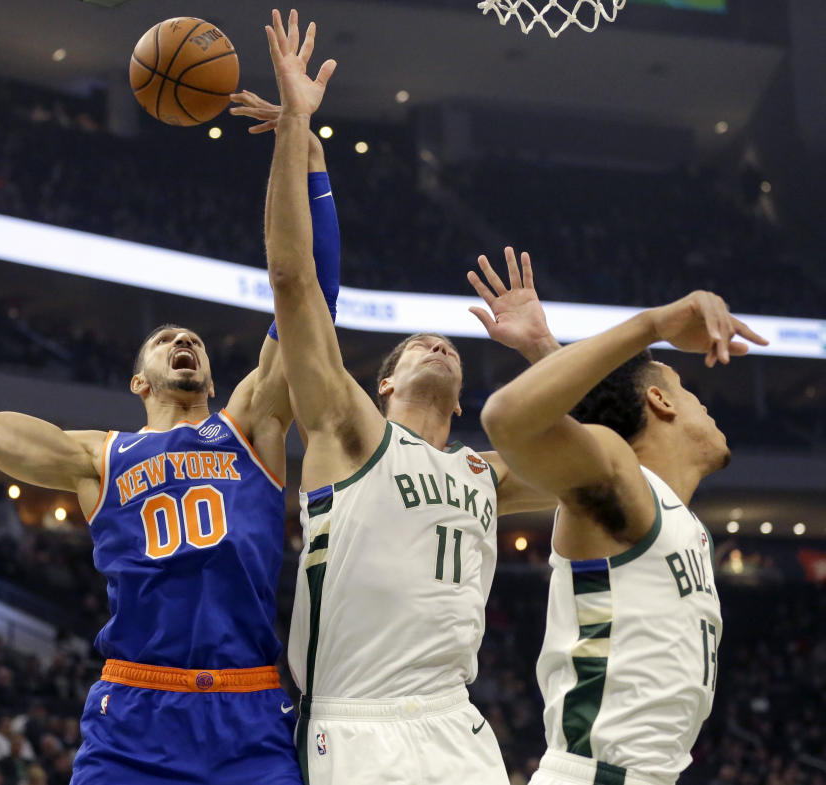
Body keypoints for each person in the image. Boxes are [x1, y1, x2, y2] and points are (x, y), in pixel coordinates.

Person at [0, 113, 342, 785]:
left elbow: (308, 299)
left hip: (249, 711)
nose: (186, 341)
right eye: (168, 337)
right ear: (139, 379)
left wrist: (308, 156)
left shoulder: (253, 423)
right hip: (137, 715)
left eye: (195, 339)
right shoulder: (100, 456)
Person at [256, 10, 558, 784]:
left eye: (450, 344)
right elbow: (294, 281)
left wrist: (539, 351)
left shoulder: (484, 472)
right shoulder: (350, 430)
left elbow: (607, 463)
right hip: (355, 723)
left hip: (456, 722)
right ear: (381, 382)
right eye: (416, 345)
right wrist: (298, 130)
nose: (439, 342)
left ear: (461, 402)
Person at [479, 292, 767, 785]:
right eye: (690, 390)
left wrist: (545, 346)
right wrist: (654, 325)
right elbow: (506, 418)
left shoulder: (669, 513)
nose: (707, 403)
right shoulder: (624, 484)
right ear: (660, 400)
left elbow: (595, 420)